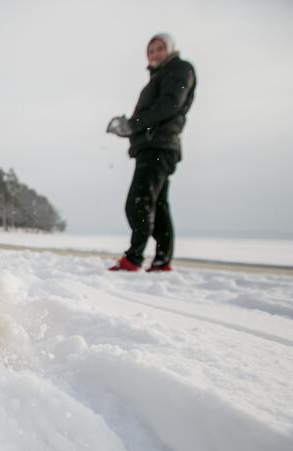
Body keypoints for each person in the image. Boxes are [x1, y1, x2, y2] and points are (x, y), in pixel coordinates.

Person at [106, 33, 196, 272]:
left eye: (159, 48)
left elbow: (168, 106)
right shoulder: (159, 77)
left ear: (171, 49)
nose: (155, 53)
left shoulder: (179, 70)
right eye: (151, 50)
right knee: (159, 205)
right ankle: (162, 260)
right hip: (155, 146)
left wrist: (132, 124)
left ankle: (134, 258)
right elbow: (154, 113)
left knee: (138, 203)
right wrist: (128, 128)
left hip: (158, 147)